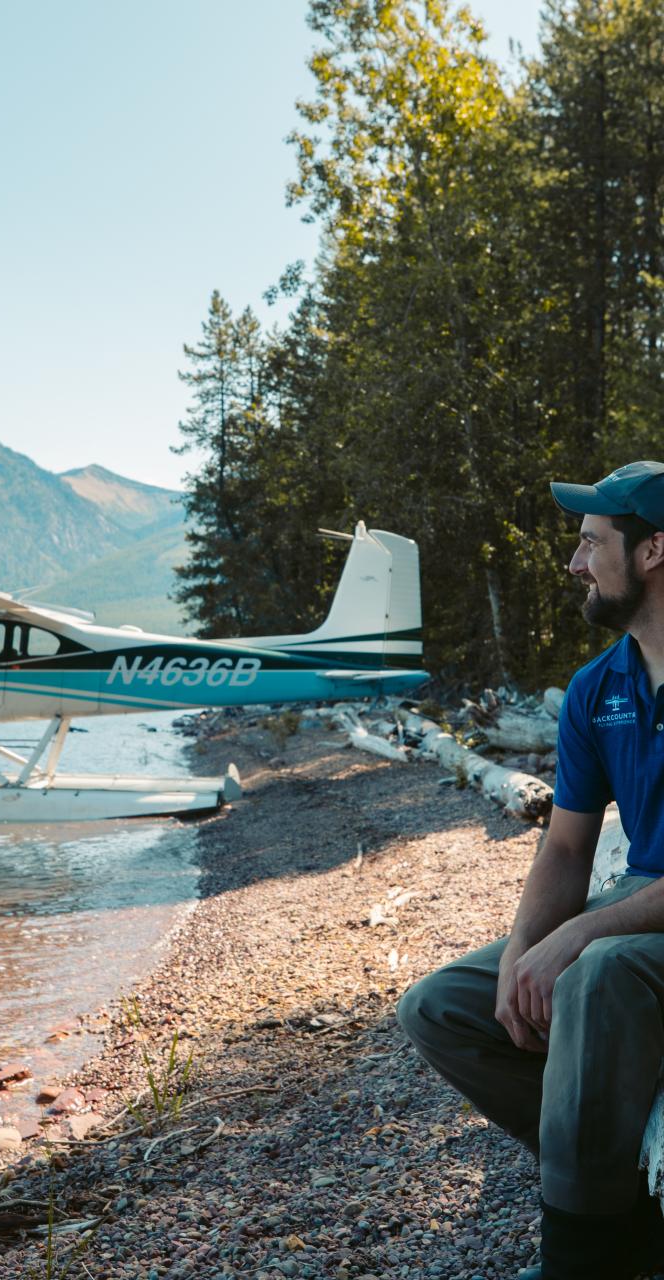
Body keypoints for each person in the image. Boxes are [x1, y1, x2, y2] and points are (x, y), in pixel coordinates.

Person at [397, 461, 664, 1280]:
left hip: (638, 933)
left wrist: (578, 936)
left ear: (654, 551)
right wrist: (522, 954)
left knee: (592, 973)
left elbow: (594, 921)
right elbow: (565, 848)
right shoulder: (599, 688)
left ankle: (581, 1259)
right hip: (640, 906)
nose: (574, 564)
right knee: (442, 1008)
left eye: (590, 544)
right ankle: (619, 1202)